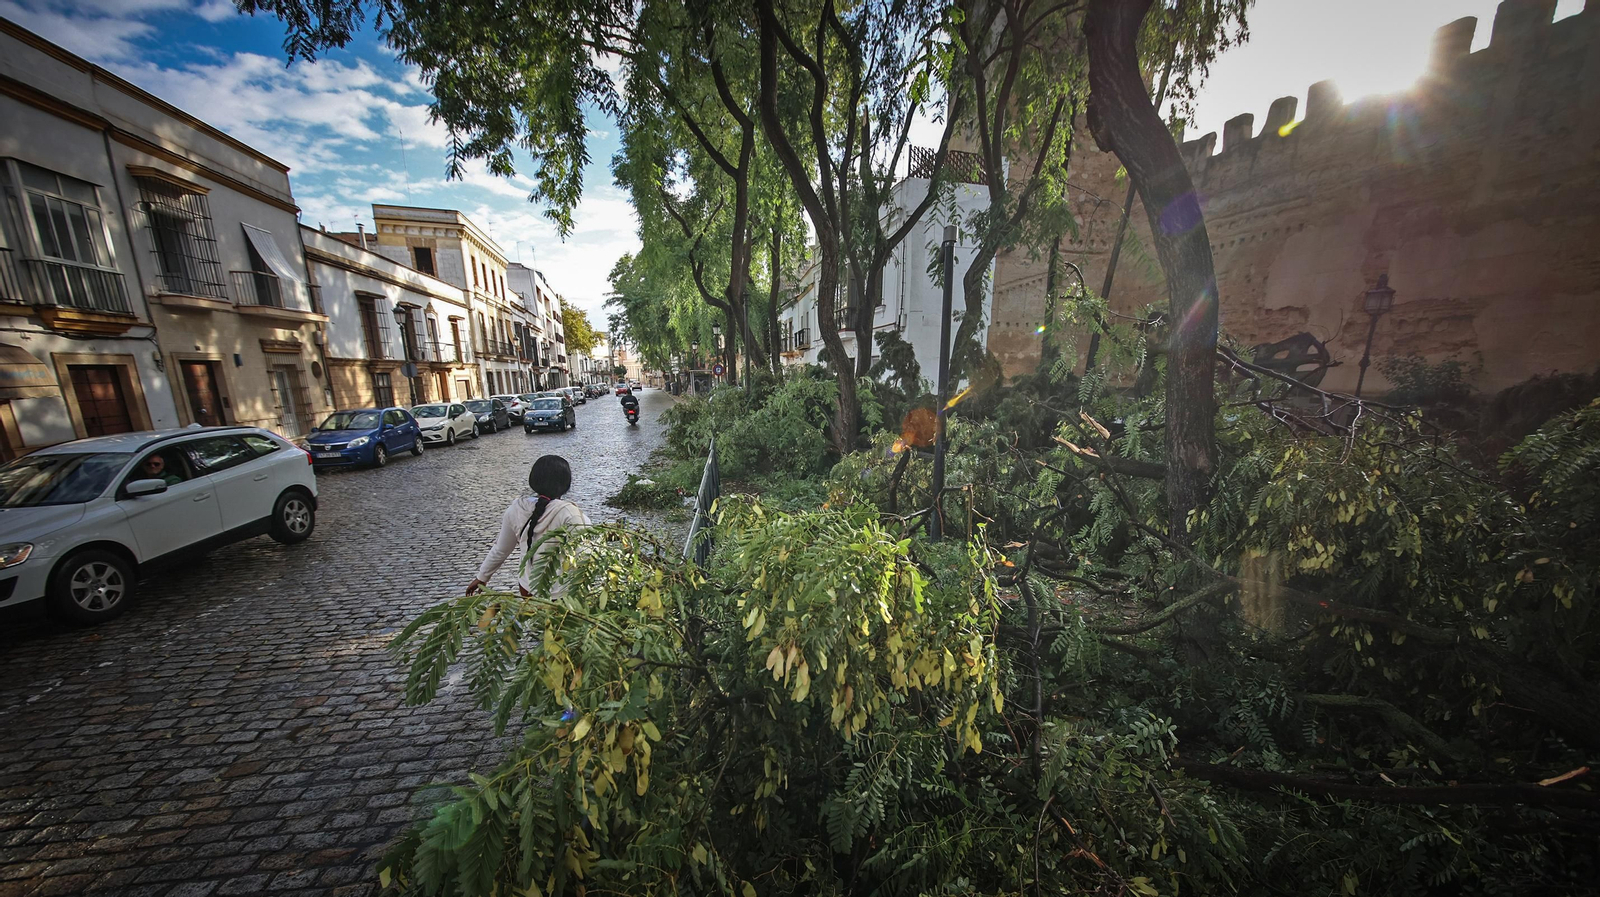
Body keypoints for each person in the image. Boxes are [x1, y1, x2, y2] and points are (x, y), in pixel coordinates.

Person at [466, 455, 589, 597]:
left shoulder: (516, 509)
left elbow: (501, 549)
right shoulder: (570, 513)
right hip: (563, 594)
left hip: (528, 588)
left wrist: (482, 577)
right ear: (566, 484)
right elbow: (584, 553)